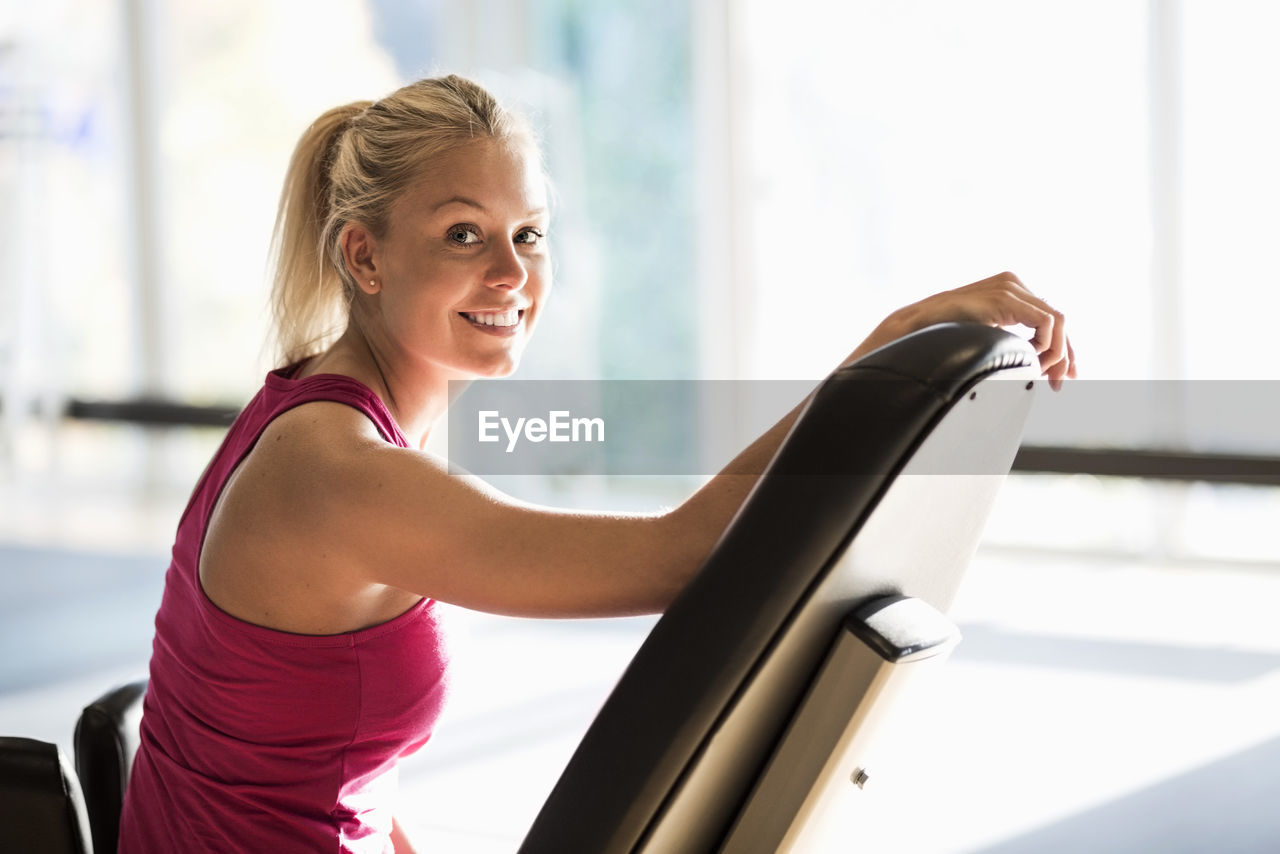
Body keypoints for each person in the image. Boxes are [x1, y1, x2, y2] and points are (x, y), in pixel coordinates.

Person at [117, 74, 1075, 852]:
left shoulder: (318, 419)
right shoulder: (336, 471)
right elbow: (685, 559)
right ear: (364, 258)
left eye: (528, 234)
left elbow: (318, 772)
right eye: (463, 235)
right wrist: (888, 348)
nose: (511, 273)